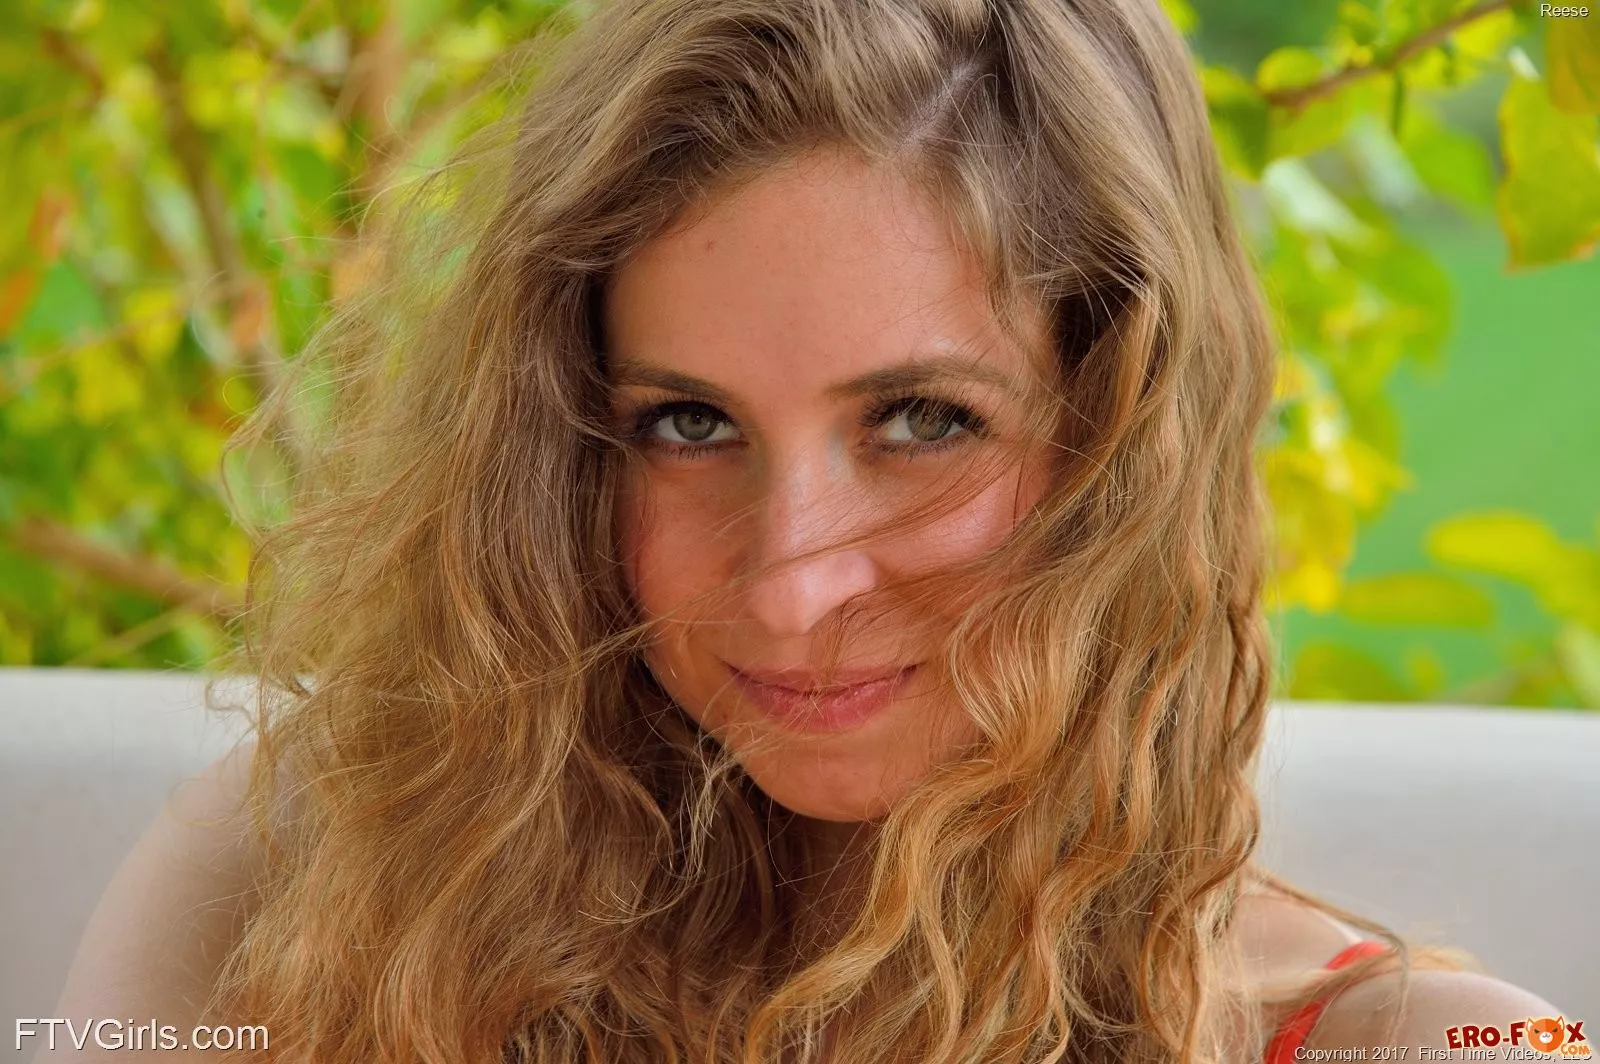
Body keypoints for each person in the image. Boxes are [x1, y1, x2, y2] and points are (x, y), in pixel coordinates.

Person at [44, 0, 1565, 1061]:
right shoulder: (307, 874)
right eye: (685, 423)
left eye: (923, 421)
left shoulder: (1451, 1048)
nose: (791, 586)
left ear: (1127, 444)